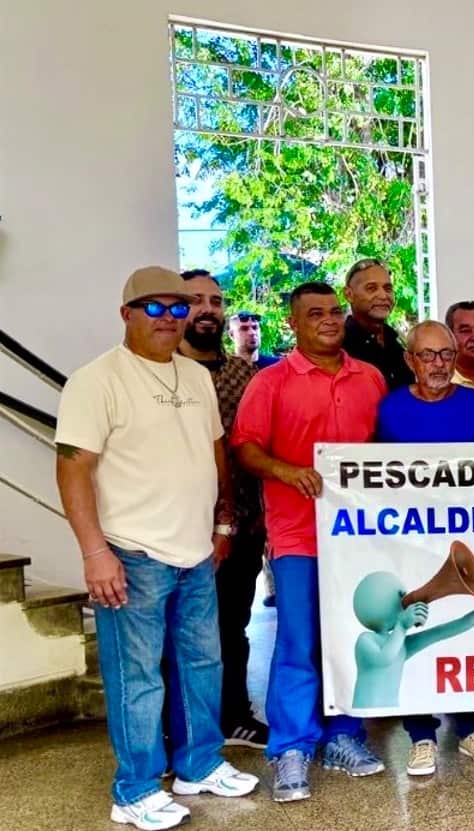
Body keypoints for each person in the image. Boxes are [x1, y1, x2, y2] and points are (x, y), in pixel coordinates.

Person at [55, 266, 258, 830]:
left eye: (178, 307)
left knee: (202, 664)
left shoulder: (194, 376)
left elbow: (214, 453)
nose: (169, 318)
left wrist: (223, 524)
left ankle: (199, 764)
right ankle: (135, 789)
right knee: (138, 678)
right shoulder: (96, 381)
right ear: (126, 314)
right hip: (132, 553)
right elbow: (73, 468)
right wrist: (94, 552)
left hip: (196, 553)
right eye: (155, 307)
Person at [233, 281, 389, 802]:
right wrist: (286, 470)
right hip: (298, 533)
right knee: (298, 642)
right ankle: (291, 747)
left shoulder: (369, 378)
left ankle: (344, 736)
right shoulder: (271, 381)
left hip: (359, 536)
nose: (329, 320)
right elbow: (245, 447)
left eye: (334, 311)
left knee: (351, 635)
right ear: (294, 324)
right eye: (315, 313)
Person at [375, 321, 474, 772]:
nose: (438, 364)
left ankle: (469, 728)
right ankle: (421, 735)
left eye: (446, 354)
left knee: (468, 634)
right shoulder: (389, 408)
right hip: (408, 540)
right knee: (414, 632)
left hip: (467, 535)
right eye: (427, 355)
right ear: (409, 359)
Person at [176, 270, 271, 749]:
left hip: (244, 525)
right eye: (195, 300)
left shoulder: (246, 375)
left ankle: (234, 715)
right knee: (180, 632)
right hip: (178, 525)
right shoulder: (163, 372)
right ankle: (179, 729)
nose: (207, 309)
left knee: (232, 625)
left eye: (215, 301)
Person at [341, 257, 413, 389]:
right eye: (371, 288)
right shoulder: (339, 348)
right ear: (349, 294)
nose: (383, 295)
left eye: (388, 288)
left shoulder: (396, 343)